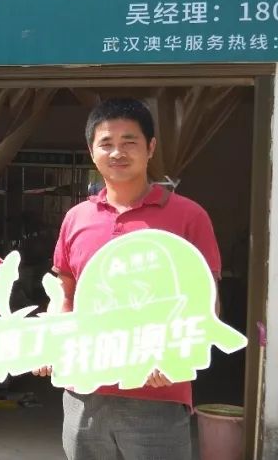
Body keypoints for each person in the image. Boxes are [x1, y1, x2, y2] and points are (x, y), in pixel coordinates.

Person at [41, 98, 222, 460]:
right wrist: (49, 343)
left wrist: (176, 354)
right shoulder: (77, 218)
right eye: (106, 143)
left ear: (150, 147)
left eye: (129, 142)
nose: (117, 152)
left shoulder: (188, 216)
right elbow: (64, 292)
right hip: (84, 391)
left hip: (156, 394)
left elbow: (207, 300)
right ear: (92, 151)